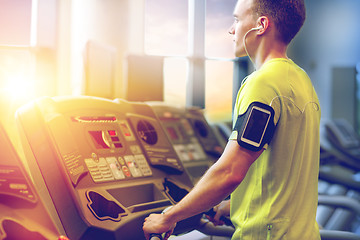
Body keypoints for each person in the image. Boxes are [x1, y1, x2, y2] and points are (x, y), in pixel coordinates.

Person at [143, 0, 321, 239]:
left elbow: (230, 172)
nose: (231, 29)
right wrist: (236, 205)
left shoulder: (263, 83)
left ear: (261, 25)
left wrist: (168, 217)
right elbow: (284, 172)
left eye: (237, 20)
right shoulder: (302, 80)